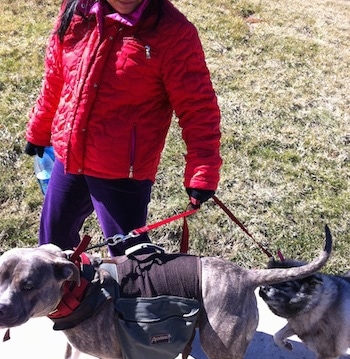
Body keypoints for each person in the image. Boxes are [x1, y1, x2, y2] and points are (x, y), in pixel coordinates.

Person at [25, 0, 222, 255]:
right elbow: (56, 77)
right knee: (51, 248)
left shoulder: (173, 32)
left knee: (130, 262)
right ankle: (66, 294)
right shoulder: (76, 11)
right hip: (69, 157)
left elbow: (198, 107)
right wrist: (40, 127)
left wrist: (202, 170)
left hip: (121, 171)